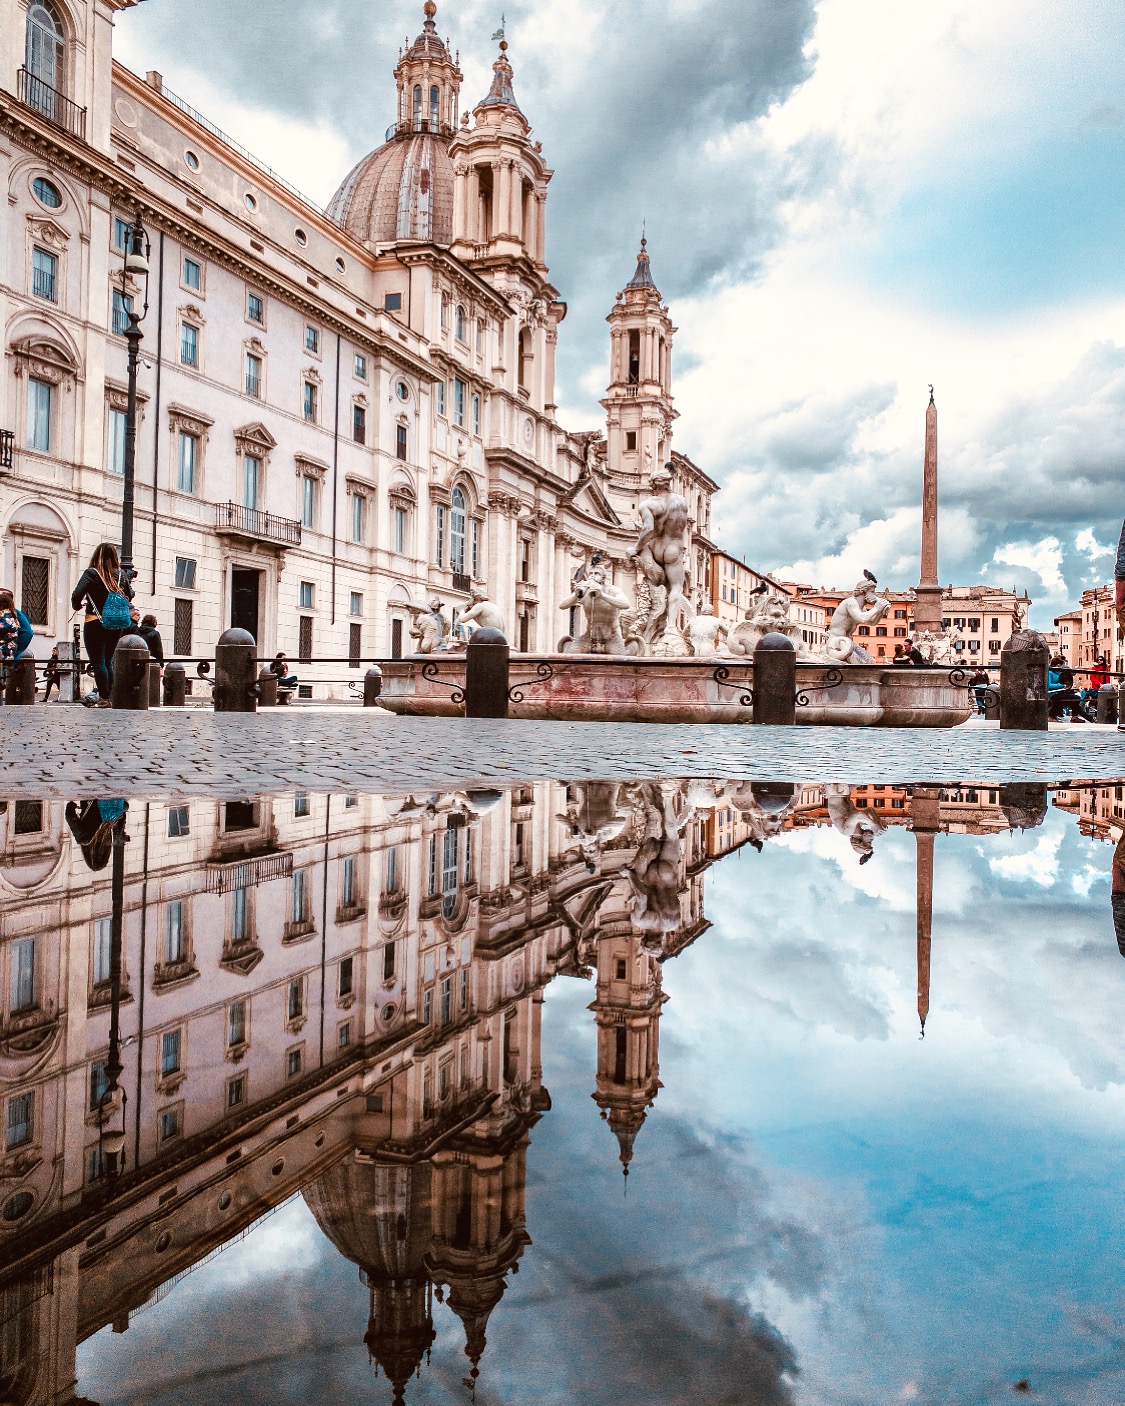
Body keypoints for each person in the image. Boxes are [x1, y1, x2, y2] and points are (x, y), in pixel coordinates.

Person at [71, 542, 134, 707]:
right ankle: (110, 697)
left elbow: (77, 594)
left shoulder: (92, 573)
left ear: (96, 555)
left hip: (95, 620)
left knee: (98, 661)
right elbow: (131, 594)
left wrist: (76, 605)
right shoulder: (121, 575)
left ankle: (104, 697)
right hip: (116, 622)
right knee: (107, 660)